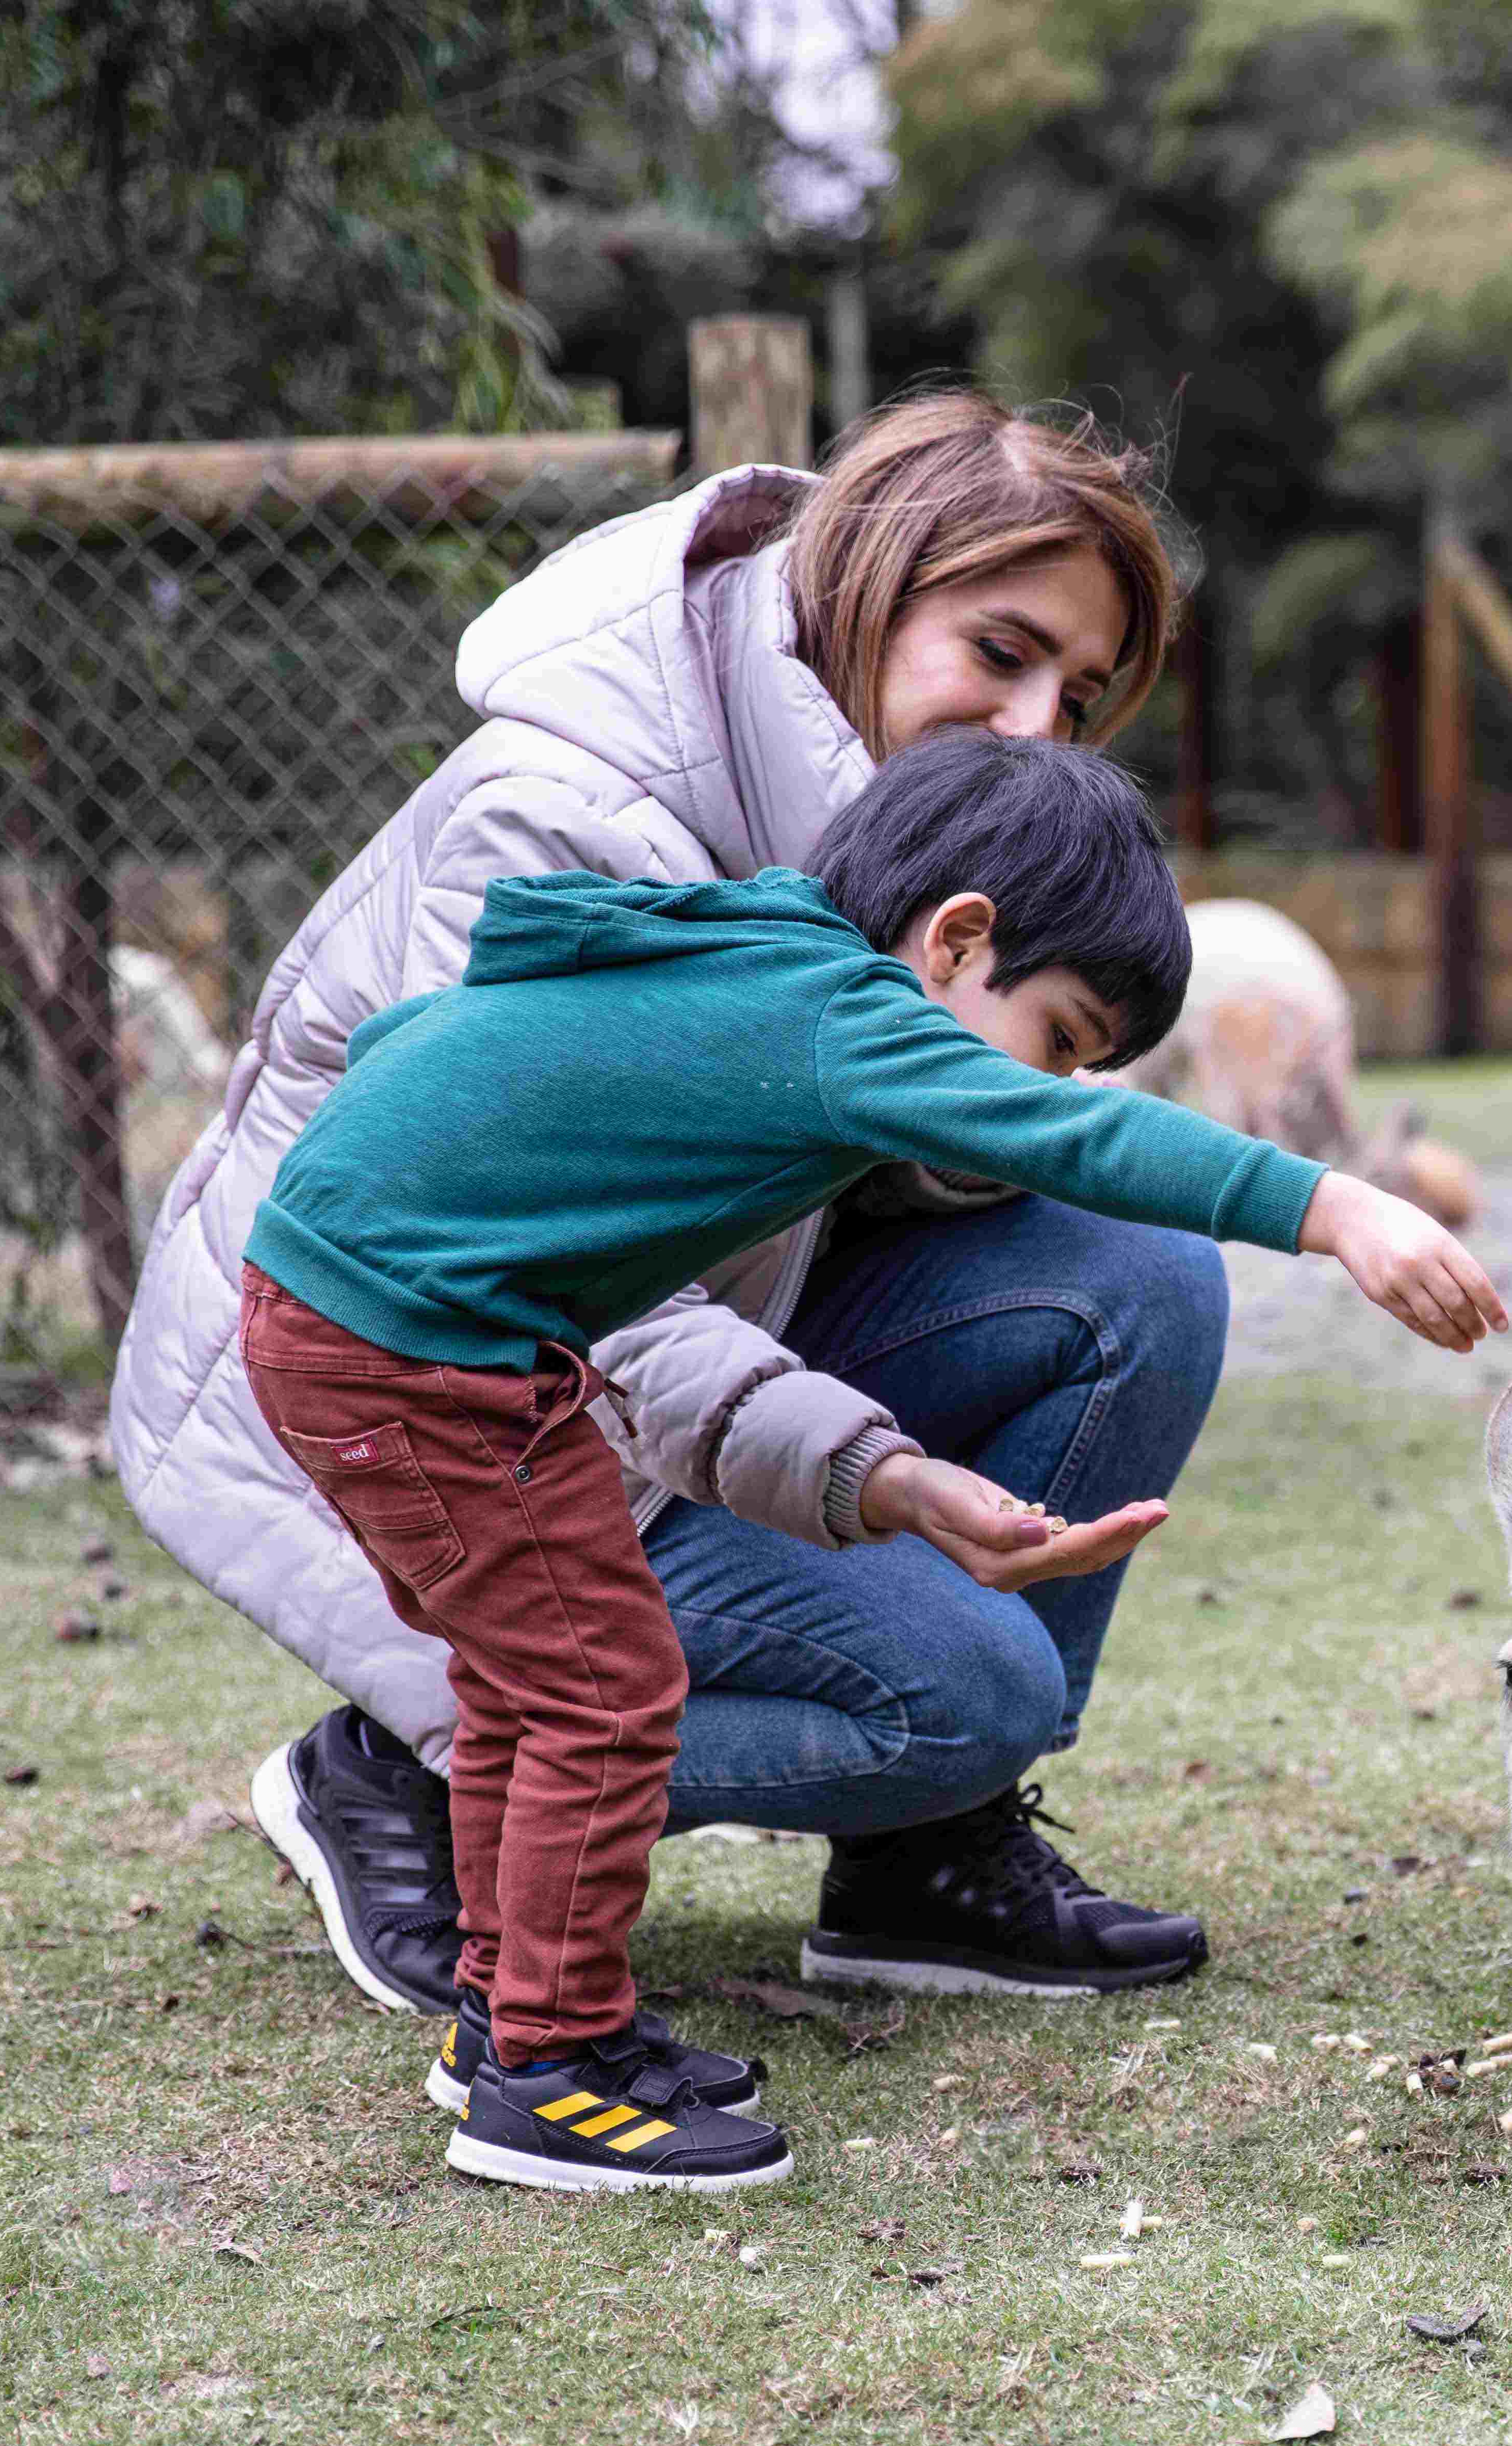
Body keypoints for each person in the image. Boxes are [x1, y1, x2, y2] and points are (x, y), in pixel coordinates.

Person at [113, 393, 1278, 2018]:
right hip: (432, 1413)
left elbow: (823, 1190)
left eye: (1075, 698)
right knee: (962, 1692)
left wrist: (972, 1110)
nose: (1033, 730)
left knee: (1141, 1278)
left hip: (647, 1383)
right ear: (868, 589)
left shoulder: (909, 842)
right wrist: (872, 1467)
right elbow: (557, 1276)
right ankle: (419, 1778)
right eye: (998, 652)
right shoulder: (564, 816)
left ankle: (925, 1873)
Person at [249, 733, 1502, 2190]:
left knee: (534, 1682)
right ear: (959, 942)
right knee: (604, 1684)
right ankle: (551, 2074)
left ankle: (504, 2018)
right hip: (405, 1344)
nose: (1051, 1087)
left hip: (402, 1317)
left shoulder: (745, 964)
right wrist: (1335, 1208)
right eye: (1060, 1032)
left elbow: (426, 1043)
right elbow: (1070, 1137)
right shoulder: (846, 1015)